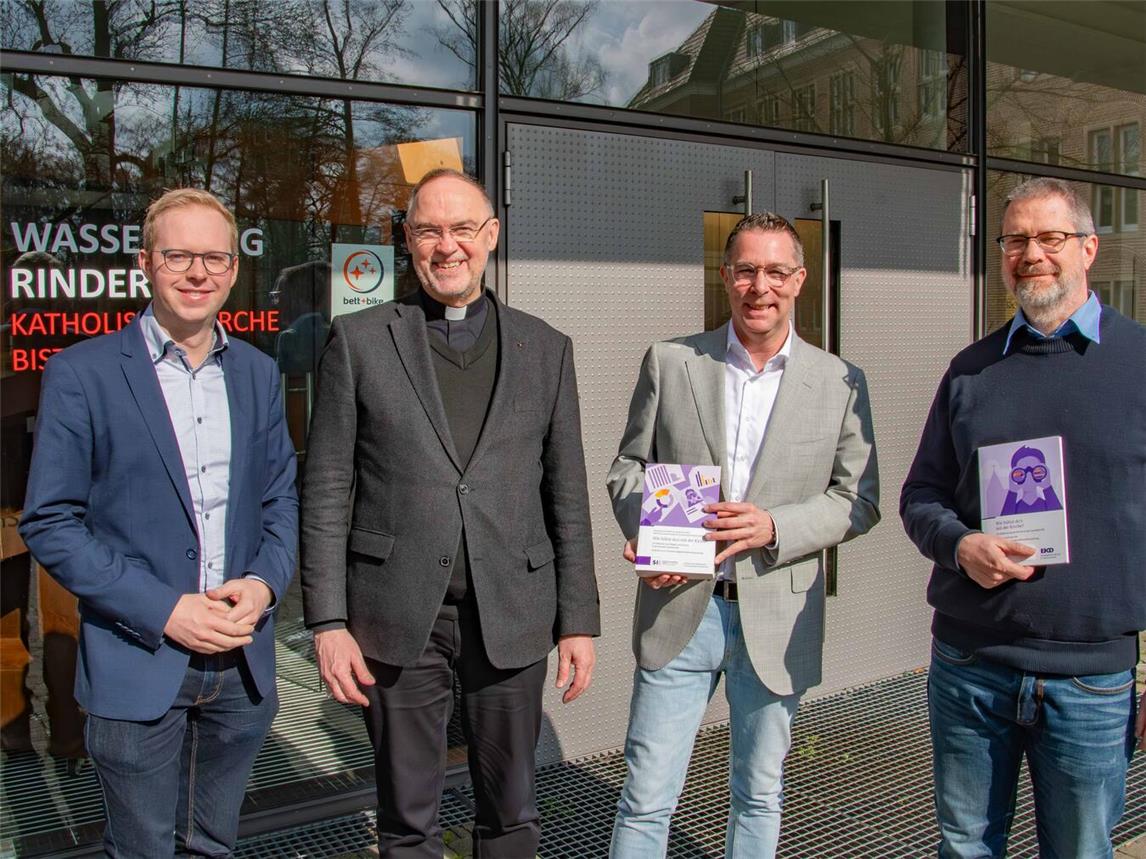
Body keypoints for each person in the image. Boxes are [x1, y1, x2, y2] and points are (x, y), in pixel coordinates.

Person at [300, 168, 599, 858]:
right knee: (407, 819)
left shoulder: (546, 347)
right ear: (407, 239)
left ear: (490, 235)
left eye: (462, 228)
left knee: (512, 812)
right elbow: (326, 490)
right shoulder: (360, 340)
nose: (447, 246)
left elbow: (567, 492)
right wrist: (328, 621)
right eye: (429, 230)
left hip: (513, 610)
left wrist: (578, 618)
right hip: (396, 612)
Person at [19, 188, 299, 858]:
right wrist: (165, 609)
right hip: (138, 659)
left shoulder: (259, 373)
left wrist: (264, 584)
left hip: (240, 663)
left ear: (233, 268)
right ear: (145, 262)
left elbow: (281, 499)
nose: (198, 272)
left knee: (213, 844)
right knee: (141, 849)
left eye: (214, 257)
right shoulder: (81, 373)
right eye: (178, 256)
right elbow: (50, 520)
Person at [606, 212, 880, 858]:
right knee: (645, 798)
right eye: (748, 270)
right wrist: (650, 530)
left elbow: (859, 500)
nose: (762, 287)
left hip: (776, 617)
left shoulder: (839, 381)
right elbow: (628, 468)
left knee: (758, 795)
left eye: (777, 271)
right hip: (681, 607)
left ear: (800, 280)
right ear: (726, 276)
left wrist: (775, 525)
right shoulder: (672, 361)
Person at [900, 176, 1146, 859]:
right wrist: (960, 546)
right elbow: (921, 496)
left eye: (1050, 237)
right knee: (965, 847)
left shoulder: (1139, 363)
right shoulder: (971, 371)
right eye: (1015, 240)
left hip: (1092, 679)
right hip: (970, 666)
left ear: (1089, 248)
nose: (1031, 253)